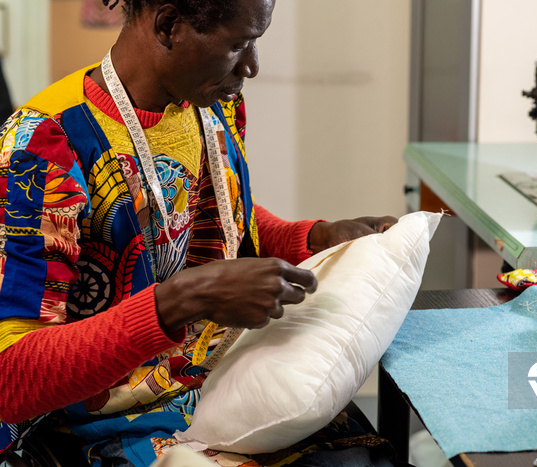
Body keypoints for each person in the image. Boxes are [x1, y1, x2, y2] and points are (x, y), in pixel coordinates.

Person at [0, 0, 402, 465]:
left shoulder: (209, 105)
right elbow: (11, 379)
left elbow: (206, 214)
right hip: (108, 418)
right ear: (170, 26)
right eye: (238, 44)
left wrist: (311, 238)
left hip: (217, 374)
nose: (252, 66)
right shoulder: (43, 148)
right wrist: (182, 300)